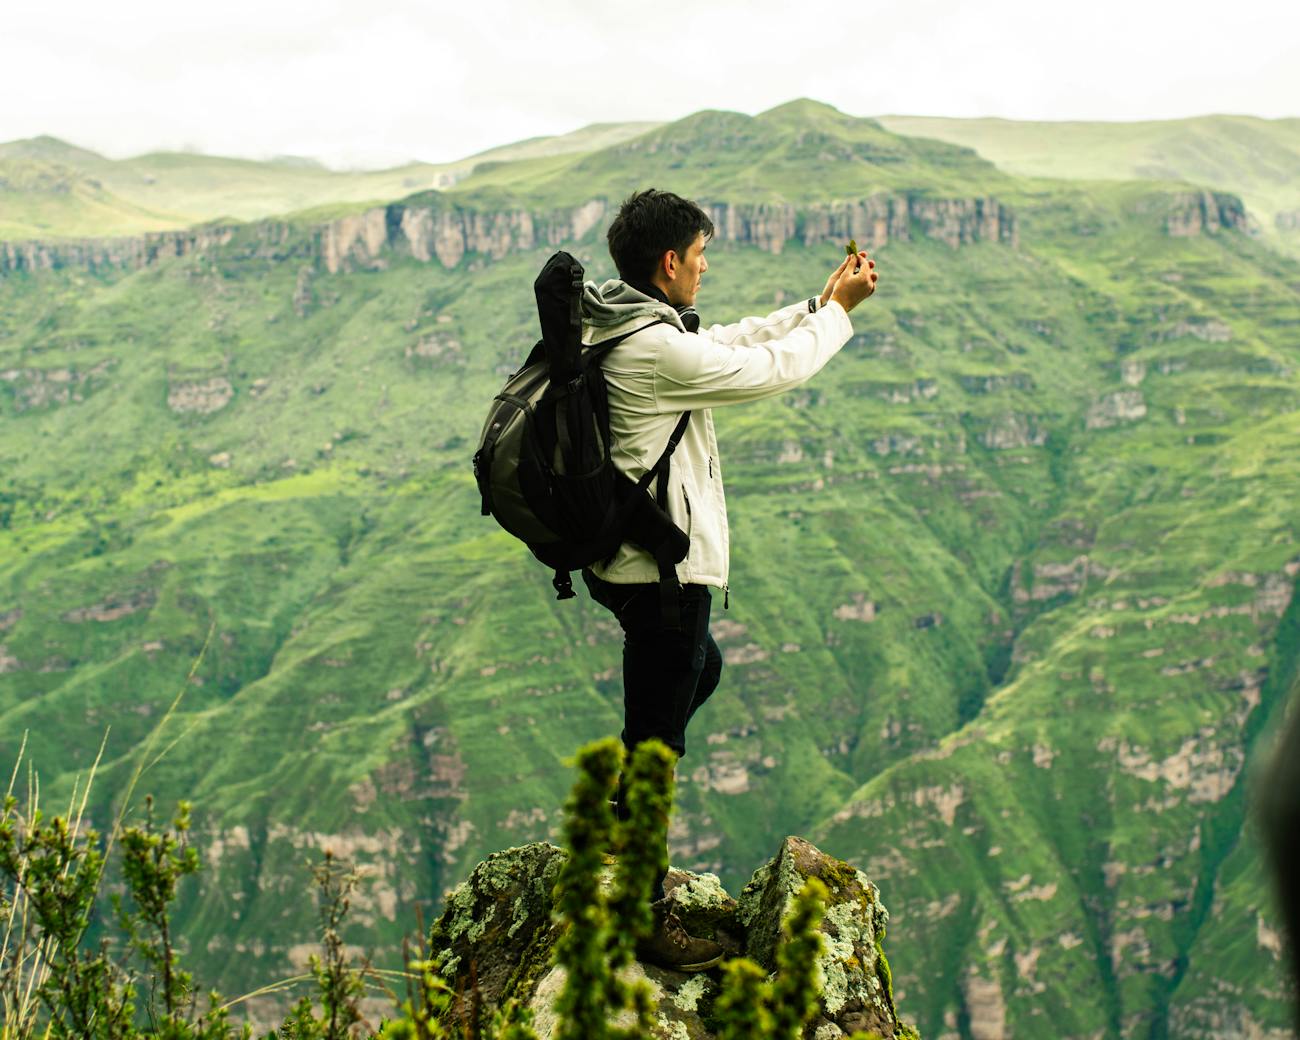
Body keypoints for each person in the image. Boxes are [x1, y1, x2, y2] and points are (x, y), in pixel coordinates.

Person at [580, 188, 878, 970]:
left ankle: (623, 828)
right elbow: (765, 371)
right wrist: (838, 317)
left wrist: (815, 301)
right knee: (658, 742)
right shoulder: (654, 352)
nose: (705, 272)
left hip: (638, 564)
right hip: (660, 577)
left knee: (693, 675)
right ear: (669, 261)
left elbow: (733, 339)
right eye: (701, 258)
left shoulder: (631, 324)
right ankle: (641, 911)